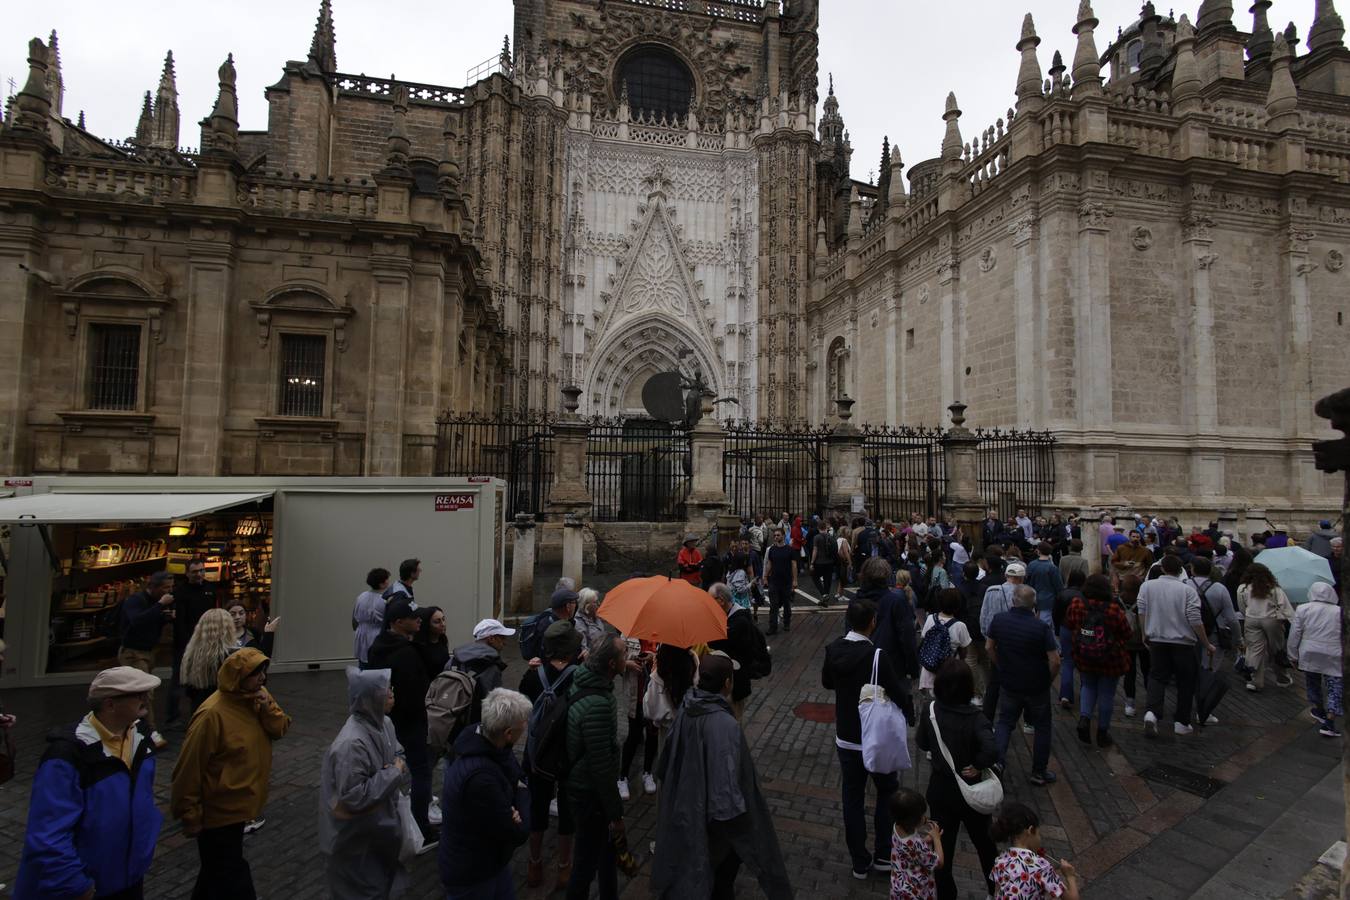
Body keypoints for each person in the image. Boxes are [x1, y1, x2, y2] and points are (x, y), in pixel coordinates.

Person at [651, 650, 792, 900]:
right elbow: (728, 796)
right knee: (718, 884)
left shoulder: (686, 708)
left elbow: (666, 764)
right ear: (727, 683)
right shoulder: (726, 726)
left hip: (687, 808)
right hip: (715, 828)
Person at [15, 666, 163, 900]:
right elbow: (49, 833)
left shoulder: (141, 738)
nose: (146, 700)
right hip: (85, 885)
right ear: (110, 704)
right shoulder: (67, 755)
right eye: (138, 694)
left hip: (129, 876)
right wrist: (76, 885)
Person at [171, 647, 291, 900]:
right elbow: (189, 767)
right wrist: (189, 812)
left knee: (215, 872)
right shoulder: (212, 715)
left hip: (242, 803)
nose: (262, 679)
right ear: (238, 678)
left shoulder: (257, 697)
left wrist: (267, 706)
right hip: (219, 808)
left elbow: (280, 728)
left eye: (263, 673)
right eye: (255, 674)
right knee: (231, 872)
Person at [822, 598, 914, 880]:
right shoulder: (876, 656)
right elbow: (898, 691)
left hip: (847, 736)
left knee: (852, 797)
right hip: (874, 736)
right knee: (886, 790)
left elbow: (827, 682)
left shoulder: (833, 649)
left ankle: (859, 861)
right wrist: (910, 714)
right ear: (872, 622)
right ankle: (884, 854)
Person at [319, 667, 409, 900]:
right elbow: (354, 796)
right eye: (386, 690)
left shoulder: (384, 724)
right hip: (354, 840)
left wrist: (395, 766)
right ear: (371, 698)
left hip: (377, 830)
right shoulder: (351, 744)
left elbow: (398, 753)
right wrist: (392, 773)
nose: (391, 694)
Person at [914, 659, 998, 899]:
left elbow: (921, 743)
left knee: (942, 849)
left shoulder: (931, 710)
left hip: (942, 790)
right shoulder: (976, 718)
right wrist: (978, 765)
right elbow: (992, 749)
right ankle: (995, 890)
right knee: (985, 845)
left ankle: (946, 894)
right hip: (972, 791)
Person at [439, 688, 533, 899]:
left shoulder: (480, 737)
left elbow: (514, 772)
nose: (525, 728)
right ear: (508, 733)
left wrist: (512, 795)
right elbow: (517, 831)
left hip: (490, 862)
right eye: (522, 726)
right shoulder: (480, 779)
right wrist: (520, 792)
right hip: (472, 874)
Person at [366, 597, 435, 846]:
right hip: (410, 721)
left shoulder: (379, 646)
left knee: (390, 769)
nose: (418, 619)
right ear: (397, 622)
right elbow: (415, 691)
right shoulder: (405, 653)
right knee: (421, 771)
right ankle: (421, 826)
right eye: (412, 616)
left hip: (388, 721)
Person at [565, 634, 629, 900]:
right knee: (585, 861)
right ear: (613, 664)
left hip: (583, 784)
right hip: (588, 791)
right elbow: (600, 767)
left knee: (604, 851)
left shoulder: (585, 681)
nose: (629, 657)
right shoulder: (600, 704)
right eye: (625, 654)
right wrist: (616, 814)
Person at [520, 621, 582, 891]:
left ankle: (534, 863)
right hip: (568, 752)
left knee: (537, 805)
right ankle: (564, 868)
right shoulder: (579, 676)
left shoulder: (533, 675)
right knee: (568, 810)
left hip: (538, 752)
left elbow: (522, 703)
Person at [987, 584, 1059, 785]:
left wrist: (1000, 665)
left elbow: (989, 647)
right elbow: (1055, 660)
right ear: (1033, 605)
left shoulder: (1000, 620)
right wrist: (1048, 680)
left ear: (1013, 601)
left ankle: (998, 762)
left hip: (1010, 681)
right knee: (1042, 726)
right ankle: (1038, 771)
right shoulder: (1041, 627)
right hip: (1036, 685)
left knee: (1005, 723)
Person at [1137, 555, 1213, 737]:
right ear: (1181, 571)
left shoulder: (1147, 586)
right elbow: (1195, 620)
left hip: (1157, 639)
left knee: (1157, 676)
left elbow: (1142, 611)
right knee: (1185, 682)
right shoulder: (1187, 591)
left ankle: (1152, 713)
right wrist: (1206, 643)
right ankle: (1181, 721)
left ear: (1162, 568)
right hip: (1183, 643)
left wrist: (1144, 633)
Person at [1065, 575, 1131, 747]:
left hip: (1084, 655)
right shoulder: (1113, 609)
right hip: (1110, 657)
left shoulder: (1077, 604)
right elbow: (1126, 632)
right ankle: (1102, 730)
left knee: (1087, 686)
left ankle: (1084, 718)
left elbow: (1070, 624)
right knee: (1107, 693)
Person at [119, 571, 174, 736]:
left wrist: (166, 617)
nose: (168, 591)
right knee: (145, 692)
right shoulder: (135, 600)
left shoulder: (156, 601)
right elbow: (137, 621)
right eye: (165, 587)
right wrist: (159, 606)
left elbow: (151, 621)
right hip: (133, 652)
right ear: (154, 587)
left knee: (139, 692)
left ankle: (133, 727)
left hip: (148, 652)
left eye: (171, 587)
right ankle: (151, 731)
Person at [989, 802, 1080, 900]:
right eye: (1038, 834)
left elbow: (997, 893)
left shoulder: (1001, 860)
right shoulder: (1041, 866)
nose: (1039, 838)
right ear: (1030, 830)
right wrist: (1070, 876)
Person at [1289, 582, 1344, 737]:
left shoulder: (1303, 609)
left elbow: (1295, 634)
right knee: (1334, 686)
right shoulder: (1339, 611)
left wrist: (1292, 655)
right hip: (1333, 651)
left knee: (1312, 681)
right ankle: (1330, 721)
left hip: (1309, 651)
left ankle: (1318, 709)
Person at [860, 558, 920, 695]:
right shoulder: (896, 601)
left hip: (862, 664)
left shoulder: (857, 601)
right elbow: (907, 638)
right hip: (891, 666)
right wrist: (913, 670)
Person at [168, 558, 217, 726]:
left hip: (207, 642)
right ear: (187, 573)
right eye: (195, 571)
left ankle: (201, 713)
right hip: (185, 643)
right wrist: (186, 643)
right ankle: (172, 717)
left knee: (203, 680)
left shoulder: (211, 588)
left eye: (202, 570)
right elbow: (179, 621)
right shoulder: (180, 592)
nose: (199, 574)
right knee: (179, 680)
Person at [708, 581, 765, 720]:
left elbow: (719, 643)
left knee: (732, 723)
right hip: (728, 682)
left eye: (710, 601)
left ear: (721, 600)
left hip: (736, 685)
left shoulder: (738, 622)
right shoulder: (729, 616)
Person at [1237, 563, 1295, 692]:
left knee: (1254, 649)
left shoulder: (1242, 588)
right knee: (1276, 649)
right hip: (1272, 620)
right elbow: (1286, 608)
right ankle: (1282, 678)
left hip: (1251, 619)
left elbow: (1241, 607)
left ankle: (1254, 680)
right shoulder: (1274, 589)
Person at [978, 561, 1026, 717]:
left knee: (994, 682)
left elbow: (984, 617)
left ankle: (988, 718)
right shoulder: (1026, 593)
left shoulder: (991, 590)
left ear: (1006, 575)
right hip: (1018, 645)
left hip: (995, 643)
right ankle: (1021, 718)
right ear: (1022, 578)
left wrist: (988, 638)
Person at [617, 635, 659, 801]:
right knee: (633, 737)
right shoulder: (627, 635)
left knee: (652, 736)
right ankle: (622, 777)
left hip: (655, 696)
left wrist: (654, 657)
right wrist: (627, 664)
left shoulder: (660, 634)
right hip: (635, 697)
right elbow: (616, 663)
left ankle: (647, 773)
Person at [450, 618, 514, 724]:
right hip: (476, 724)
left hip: (450, 720)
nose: (505, 642)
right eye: (502, 637)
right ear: (491, 639)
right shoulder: (491, 667)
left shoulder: (455, 659)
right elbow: (493, 704)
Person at [888, 788, 943, 900]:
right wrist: (937, 839)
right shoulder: (917, 845)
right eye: (922, 815)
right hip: (916, 892)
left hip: (899, 888)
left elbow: (908, 849)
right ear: (913, 820)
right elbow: (939, 862)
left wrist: (927, 840)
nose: (925, 817)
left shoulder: (896, 827)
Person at [181, 609, 238, 715]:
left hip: (199, 710)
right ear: (228, 629)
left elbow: (189, 691)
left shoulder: (192, 654)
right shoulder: (231, 657)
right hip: (224, 712)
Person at [918, 589, 972, 695]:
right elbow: (964, 651)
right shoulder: (960, 626)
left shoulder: (930, 619)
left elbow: (924, 638)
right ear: (958, 605)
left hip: (930, 668)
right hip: (949, 672)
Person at [1191, 557, 1237, 672]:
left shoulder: (1184, 586)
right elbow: (1231, 619)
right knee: (1210, 668)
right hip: (1214, 630)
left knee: (1190, 667)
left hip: (1189, 631)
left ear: (1193, 569)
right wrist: (1238, 638)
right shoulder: (1219, 588)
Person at [1053, 569, 1086, 710]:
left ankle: (1065, 694)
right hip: (1082, 630)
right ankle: (1086, 694)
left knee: (1067, 662)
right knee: (1084, 663)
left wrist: (1057, 629)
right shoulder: (1085, 595)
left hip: (1065, 628)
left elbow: (1056, 613)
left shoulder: (1062, 594)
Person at [763, 527, 798, 634]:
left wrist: (795, 580)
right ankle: (772, 626)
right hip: (774, 581)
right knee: (773, 605)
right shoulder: (772, 550)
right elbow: (769, 563)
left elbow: (794, 565)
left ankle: (786, 623)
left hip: (786, 582)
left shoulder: (789, 549)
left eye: (778, 535)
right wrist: (765, 577)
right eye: (774, 535)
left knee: (786, 604)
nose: (776, 537)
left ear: (783, 536)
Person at [352, 567, 390, 667]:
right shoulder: (383, 601)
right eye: (387, 579)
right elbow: (388, 622)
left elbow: (354, 621)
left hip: (361, 634)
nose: (388, 581)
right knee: (377, 667)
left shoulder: (361, 596)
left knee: (363, 666)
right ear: (381, 583)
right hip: (376, 636)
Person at [411, 606, 450, 680]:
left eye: (443, 619)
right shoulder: (420, 649)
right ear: (427, 625)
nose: (443, 624)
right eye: (437, 622)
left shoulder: (442, 642)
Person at [811, 522, 839, 606]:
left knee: (814, 577)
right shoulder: (831, 537)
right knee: (827, 580)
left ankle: (824, 594)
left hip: (819, 562)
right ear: (826, 528)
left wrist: (812, 562)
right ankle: (825, 599)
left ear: (818, 528)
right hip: (830, 562)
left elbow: (815, 550)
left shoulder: (816, 537)